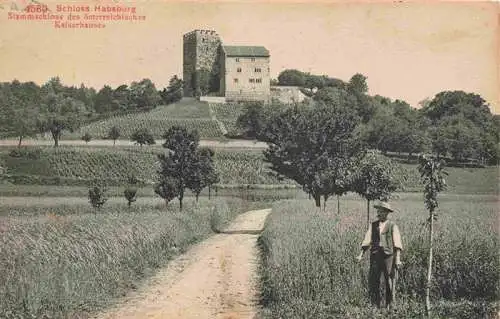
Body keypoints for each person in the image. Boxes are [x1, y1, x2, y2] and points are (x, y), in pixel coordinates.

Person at [356, 201, 403, 308]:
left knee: (389, 280)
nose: (379, 213)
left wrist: (398, 259)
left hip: (388, 256)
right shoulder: (373, 225)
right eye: (378, 211)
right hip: (375, 255)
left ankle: (389, 305)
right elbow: (367, 241)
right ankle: (375, 305)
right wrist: (361, 255)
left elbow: (397, 243)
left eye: (381, 211)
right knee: (374, 279)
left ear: (387, 213)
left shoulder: (392, 226)